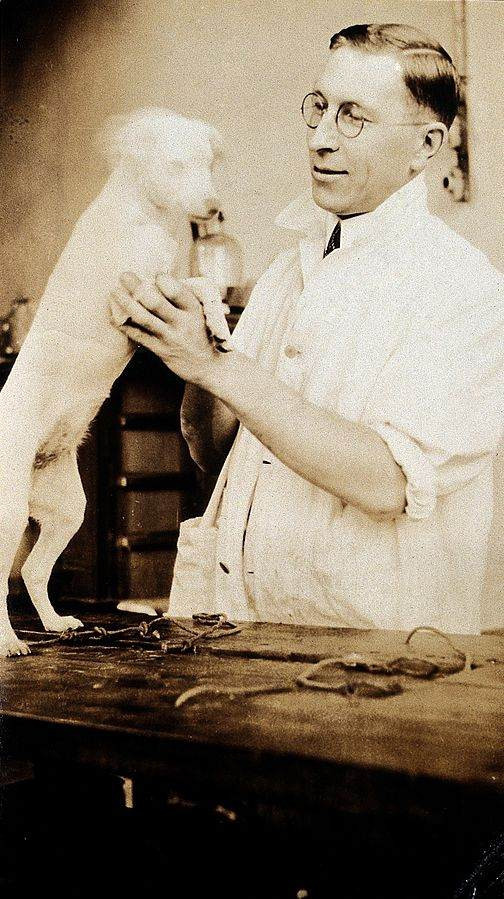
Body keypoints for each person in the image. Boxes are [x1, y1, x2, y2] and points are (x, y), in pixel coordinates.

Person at [111, 24, 503, 634]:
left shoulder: (462, 288)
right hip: (243, 627)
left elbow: (389, 482)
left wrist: (218, 366)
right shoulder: (290, 268)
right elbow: (221, 454)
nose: (320, 139)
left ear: (426, 145)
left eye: (354, 118)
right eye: (319, 108)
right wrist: (192, 343)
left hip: (375, 655)